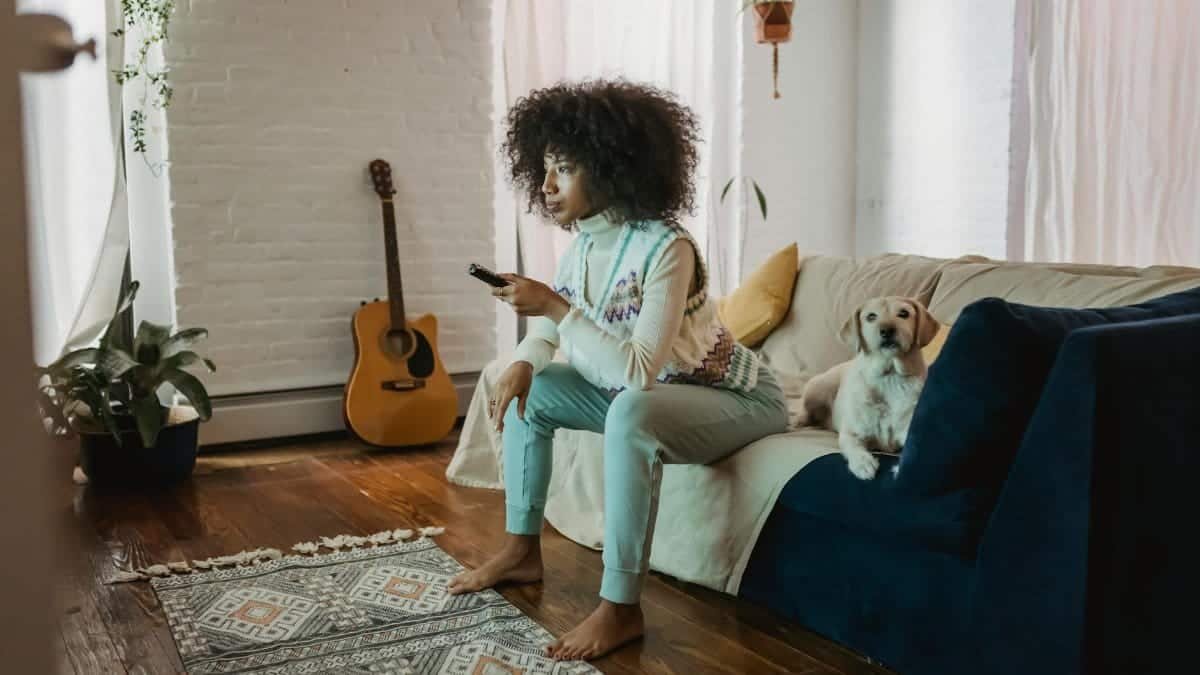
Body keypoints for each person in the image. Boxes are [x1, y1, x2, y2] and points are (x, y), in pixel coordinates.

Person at [446, 79, 789, 661]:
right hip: (658, 395)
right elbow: (557, 328)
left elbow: (637, 374)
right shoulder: (583, 246)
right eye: (545, 168)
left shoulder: (668, 248)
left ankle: (621, 607)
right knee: (537, 387)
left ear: (610, 167)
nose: (547, 185)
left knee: (630, 408)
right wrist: (526, 360)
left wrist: (552, 304)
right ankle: (521, 550)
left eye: (565, 169)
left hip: (737, 400)